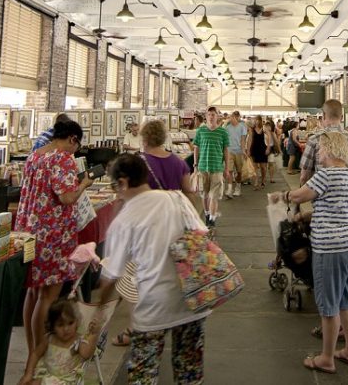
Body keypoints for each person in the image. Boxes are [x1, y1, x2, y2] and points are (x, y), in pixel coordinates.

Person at [99, 153, 210, 384]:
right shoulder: (175, 199)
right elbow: (201, 234)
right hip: (191, 300)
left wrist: (97, 316)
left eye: (114, 185)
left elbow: (111, 275)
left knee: (143, 375)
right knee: (189, 373)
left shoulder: (123, 220)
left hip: (152, 307)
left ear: (123, 182)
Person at [273, 132, 348, 373]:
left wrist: (281, 196)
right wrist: (306, 215)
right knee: (347, 302)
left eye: (321, 149)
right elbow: (339, 208)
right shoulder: (347, 176)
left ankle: (326, 358)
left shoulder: (325, 174)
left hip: (331, 249)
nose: (318, 154)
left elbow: (298, 195)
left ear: (331, 150)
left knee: (328, 306)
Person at [16, 120, 96, 357]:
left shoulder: (35, 156)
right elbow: (68, 197)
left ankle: (33, 349)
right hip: (52, 234)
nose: (75, 151)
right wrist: (84, 184)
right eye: (77, 145)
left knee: (32, 292)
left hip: (29, 230)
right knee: (48, 296)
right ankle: (40, 352)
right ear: (72, 139)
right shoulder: (62, 159)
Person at [19, 298, 99, 385]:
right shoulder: (49, 339)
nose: (66, 329)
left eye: (70, 323)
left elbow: (86, 354)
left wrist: (93, 335)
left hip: (66, 381)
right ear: (52, 325)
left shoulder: (78, 340)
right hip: (47, 375)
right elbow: (35, 354)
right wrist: (28, 373)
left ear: (77, 322)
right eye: (60, 325)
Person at [299, 100, 348, 195]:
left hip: (327, 202)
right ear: (342, 117)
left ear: (323, 116)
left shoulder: (315, 139)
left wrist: (299, 202)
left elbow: (304, 176)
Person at [193, 106, 230, 227]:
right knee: (204, 195)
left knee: (214, 196)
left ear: (217, 116)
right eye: (209, 114)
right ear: (206, 116)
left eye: (213, 114)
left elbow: (226, 151)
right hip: (203, 167)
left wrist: (227, 168)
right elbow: (196, 148)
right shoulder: (200, 131)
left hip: (217, 168)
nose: (211, 116)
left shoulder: (223, 132)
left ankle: (212, 220)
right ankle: (208, 214)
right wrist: (195, 165)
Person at [224, 111, 248, 198]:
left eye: (232, 117)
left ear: (237, 117)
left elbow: (243, 140)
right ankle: (229, 189)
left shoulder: (242, 127)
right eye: (230, 117)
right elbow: (225, 140)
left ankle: (238, 187)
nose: (231, 118)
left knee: (239, 171)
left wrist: (243, 151)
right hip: (230, 151)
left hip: (239, 152)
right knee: (229, 171)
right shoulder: (227, 127)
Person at [248, 115, 269, 190]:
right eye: (255, 120)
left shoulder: (264, 128)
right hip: (254, 149)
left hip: (263, 149)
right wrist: (248, 150)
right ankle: (256, 182)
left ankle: (263, 180)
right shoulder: (251, 129)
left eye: (258, 120)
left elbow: (269, 138)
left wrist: (268, 148)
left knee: (263, 167)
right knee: (255, 167)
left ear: (260, 121)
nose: (256, 121)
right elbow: (250, 139)